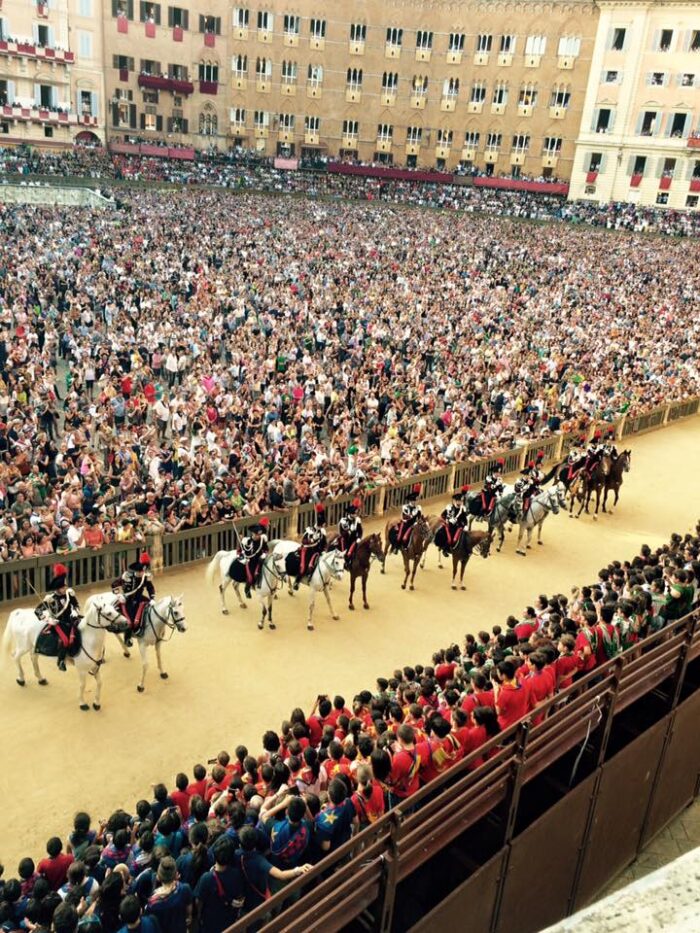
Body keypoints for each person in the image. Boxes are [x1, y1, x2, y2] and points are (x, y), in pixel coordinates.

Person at [34, 565, 81, 671]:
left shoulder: (69, 594)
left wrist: (75, 611)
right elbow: (37, 611)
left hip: (72, 619)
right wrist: (48, 619)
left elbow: (76, 605)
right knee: (64, 640)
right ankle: (61, 661)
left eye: (65, 587)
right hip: (58, 623)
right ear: (57, 588)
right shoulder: (50, 599)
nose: (65, 589)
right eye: (62, 588)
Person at [120, 552, 155, 647]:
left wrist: (152, 598)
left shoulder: (146, 576)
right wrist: (122, 595)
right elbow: (124, 589)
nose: (142, 572)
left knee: (152, 609)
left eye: (143, 570)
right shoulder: (128, 576)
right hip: (129, 599)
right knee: (130, 620)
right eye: (140, 571)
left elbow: (150, 588)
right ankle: (127, 638)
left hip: (140, 597)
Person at [295, 505, 326, 589]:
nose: (324, 525)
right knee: (303, 567)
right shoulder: (309, 530)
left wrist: (323, 550)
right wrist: (311, 540)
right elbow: (303, 541)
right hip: (307, 550)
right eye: (323, 524)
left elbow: (324, 543)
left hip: (317, 551)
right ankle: (297, 581)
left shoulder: (322, 532)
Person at [239, 522, 269, 599]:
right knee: (250, 578)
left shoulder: (262, 540)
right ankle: (247, 589)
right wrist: (242, 556)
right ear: (252, 533)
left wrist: (264, 554)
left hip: (260, 560)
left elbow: (266, 549)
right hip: (250, 561)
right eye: (256, 535)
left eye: (259, 535)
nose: (257, 536)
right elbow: (239, 551)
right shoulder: (247, 541)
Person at [439, 488, 468, 554]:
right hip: (449, 526)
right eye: (458, 501)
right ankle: (445, 549)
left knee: (462, 538)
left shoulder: (462, 509)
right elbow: (443, 515)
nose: (459, 502)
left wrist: (466, 525)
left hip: (459, 526)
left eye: (460, 501)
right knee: (448, 539)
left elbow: (465, 519)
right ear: (455, 501)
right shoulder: (450, 508)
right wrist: (447, 520)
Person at [394, 485, 422, 551]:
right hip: (406, 523)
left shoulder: (419, 507)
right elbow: (405, 517)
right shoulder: (405, 507)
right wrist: (412, 516)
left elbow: (419, 517)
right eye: (413, 501)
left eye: (415, 501)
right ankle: (397, 547)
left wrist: (418, 522)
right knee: (401, 537)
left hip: (415, 524)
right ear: (410, 501)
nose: (414, 502)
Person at [337, 498, 363, 564]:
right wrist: (349, 531)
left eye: (356, 513)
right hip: (346, 539)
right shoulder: (343, 520)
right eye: (355, 513)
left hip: (354, 539)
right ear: (351, 514)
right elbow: (341, 532)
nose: (356, 515)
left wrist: (359, 538)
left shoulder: (357, 520)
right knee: (342, 542)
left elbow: (360, 531)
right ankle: (344, 557)